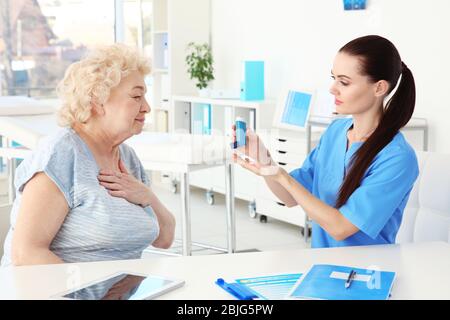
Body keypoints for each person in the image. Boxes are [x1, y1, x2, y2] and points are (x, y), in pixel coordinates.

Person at [1, 44, 176, 272]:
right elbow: (26, 254)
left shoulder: (126, 157)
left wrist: (147, 196)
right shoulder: (61, 155)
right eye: (136, 96)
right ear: (97, 101)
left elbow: (165, 238)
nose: (147, 107)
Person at [233, 35, 419, 248]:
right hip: (322, 266)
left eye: (344, 82)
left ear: (379, 88)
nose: (333, 88)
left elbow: (341, 228)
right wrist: (264, 160)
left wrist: (282, 176)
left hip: (367, 272)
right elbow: (289, 197)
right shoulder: (335, 132)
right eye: (334, 78)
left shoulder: (397, 158)